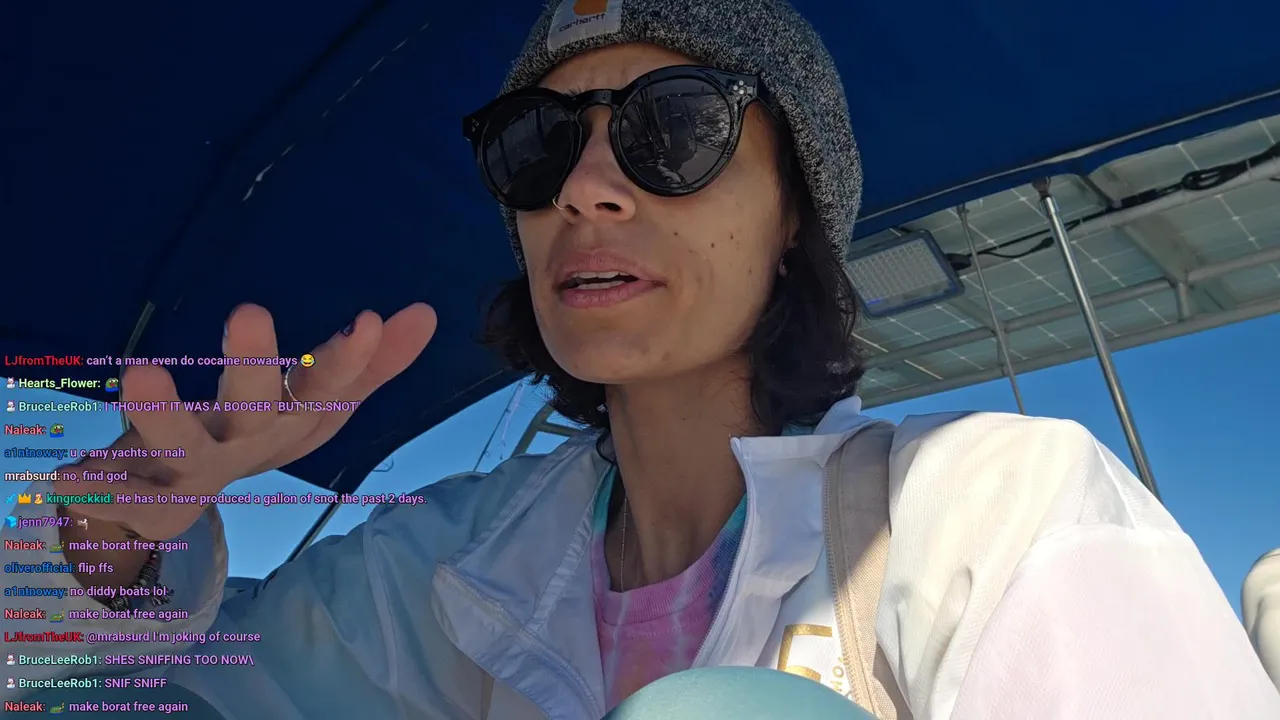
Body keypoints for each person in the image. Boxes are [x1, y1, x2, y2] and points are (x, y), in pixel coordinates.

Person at [3, 0, 1278, 717]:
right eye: (537, 146)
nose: (587, 188)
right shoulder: (449, 563)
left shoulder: (994, 511)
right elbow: (128, 694)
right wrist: (108, 542)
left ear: (795, 219)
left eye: (675, 129)